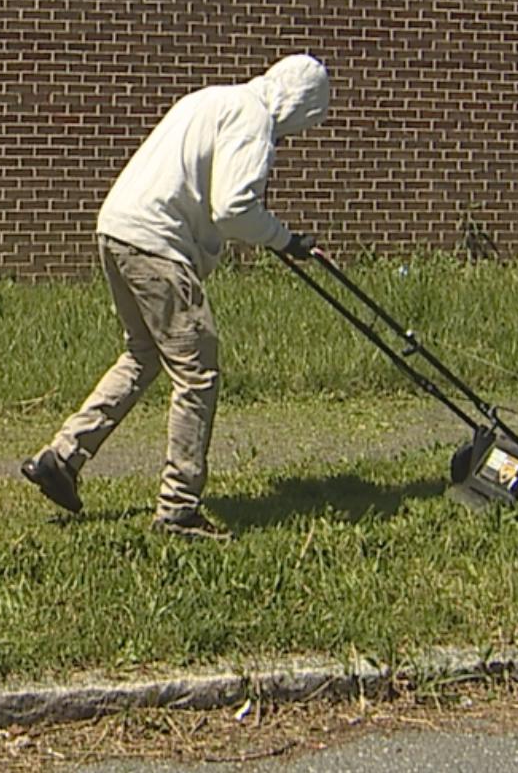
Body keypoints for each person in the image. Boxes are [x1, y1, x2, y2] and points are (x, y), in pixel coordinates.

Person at [21, 54, 331, 541]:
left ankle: (61, 458)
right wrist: (286, 240)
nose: (293, 137)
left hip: (117, 229)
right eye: (303, 125)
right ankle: (178, 509)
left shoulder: (213, 98)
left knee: (143, 355)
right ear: (301, 105)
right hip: (155, 243)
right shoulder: (254, 119)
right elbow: (234, 208)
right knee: (197, 370)